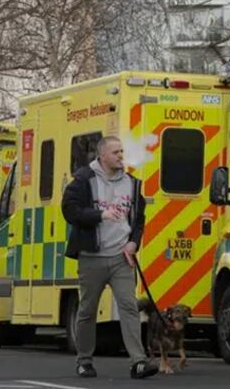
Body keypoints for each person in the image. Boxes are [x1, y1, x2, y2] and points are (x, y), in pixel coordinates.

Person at [62, 136, 158, 379]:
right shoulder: (84, 180)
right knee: (87, 309)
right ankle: (84, 361)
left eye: (122, 151)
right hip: (92, 257)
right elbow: (69, 210)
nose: (120, 156)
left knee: (129, 307)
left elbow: (138, 220)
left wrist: (133, 242)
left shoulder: (132, 184)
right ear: (102, 155)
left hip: (121, 257)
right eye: (115, 152)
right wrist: (100, 214)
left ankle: (138, 361)